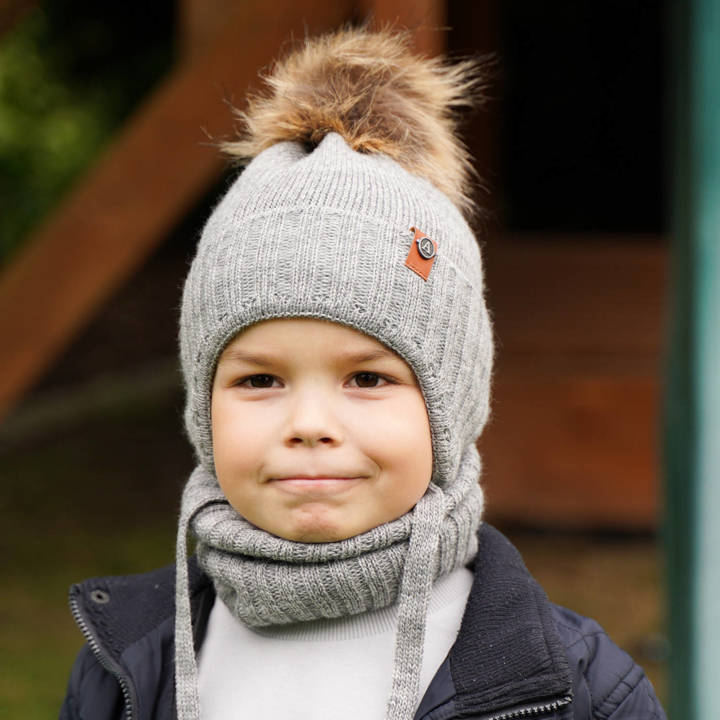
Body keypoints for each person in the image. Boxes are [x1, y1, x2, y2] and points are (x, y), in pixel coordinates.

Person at [60, 27, 666, 720]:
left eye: (368, 379)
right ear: (202, 407)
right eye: (260, 380)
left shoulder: (577, 688)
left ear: (452, 405)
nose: (310, 425)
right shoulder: (129, 664)